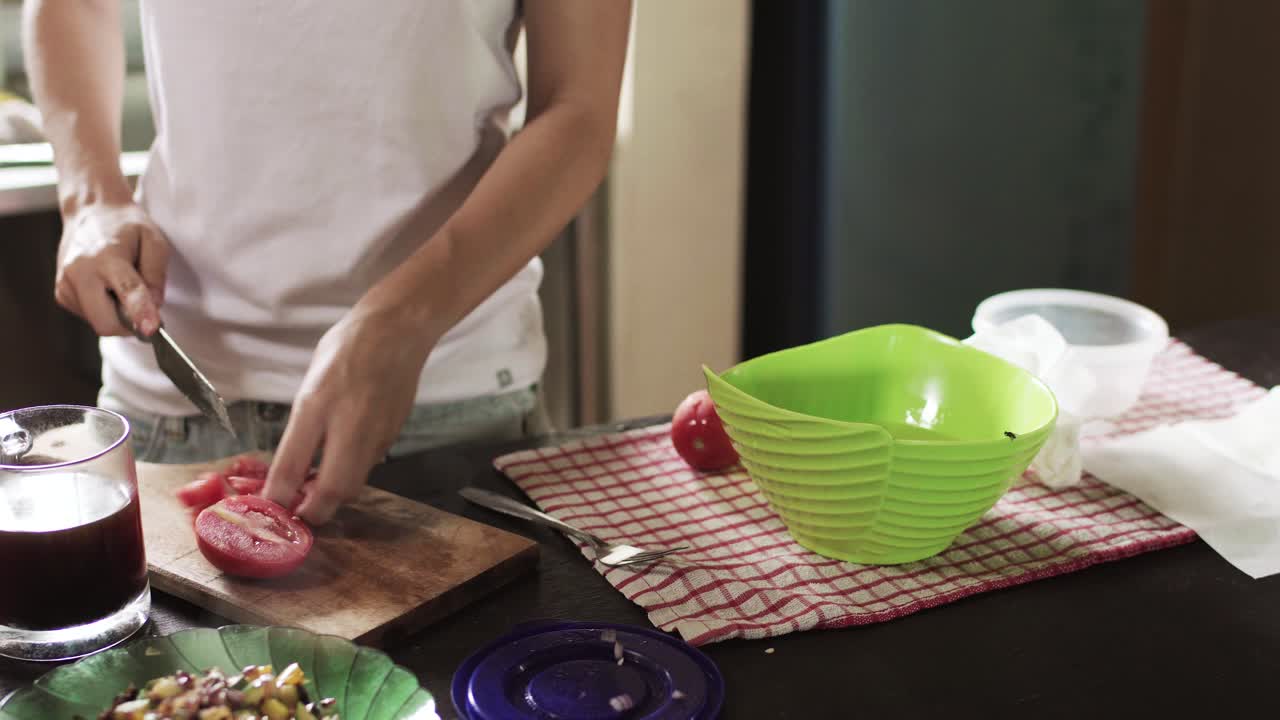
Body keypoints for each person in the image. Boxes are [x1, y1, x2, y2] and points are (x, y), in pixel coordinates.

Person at [24, 0, 631, 524]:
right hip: (172, 405)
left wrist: (404, 318)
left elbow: (578, 107)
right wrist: (91, 199)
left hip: (447, 404)